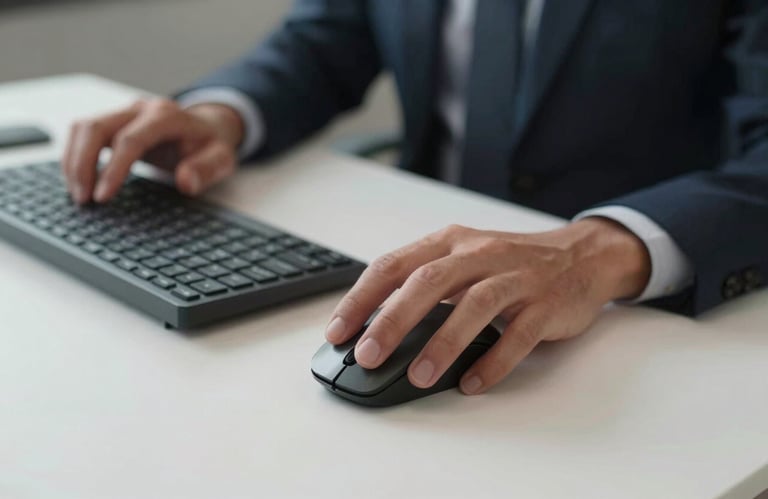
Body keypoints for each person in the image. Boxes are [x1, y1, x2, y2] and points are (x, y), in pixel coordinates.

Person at [62, 1, 768, 396]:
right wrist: (221, 115)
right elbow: (323, 40)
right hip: (410, 263)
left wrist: (598, 249)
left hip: (645, 331)